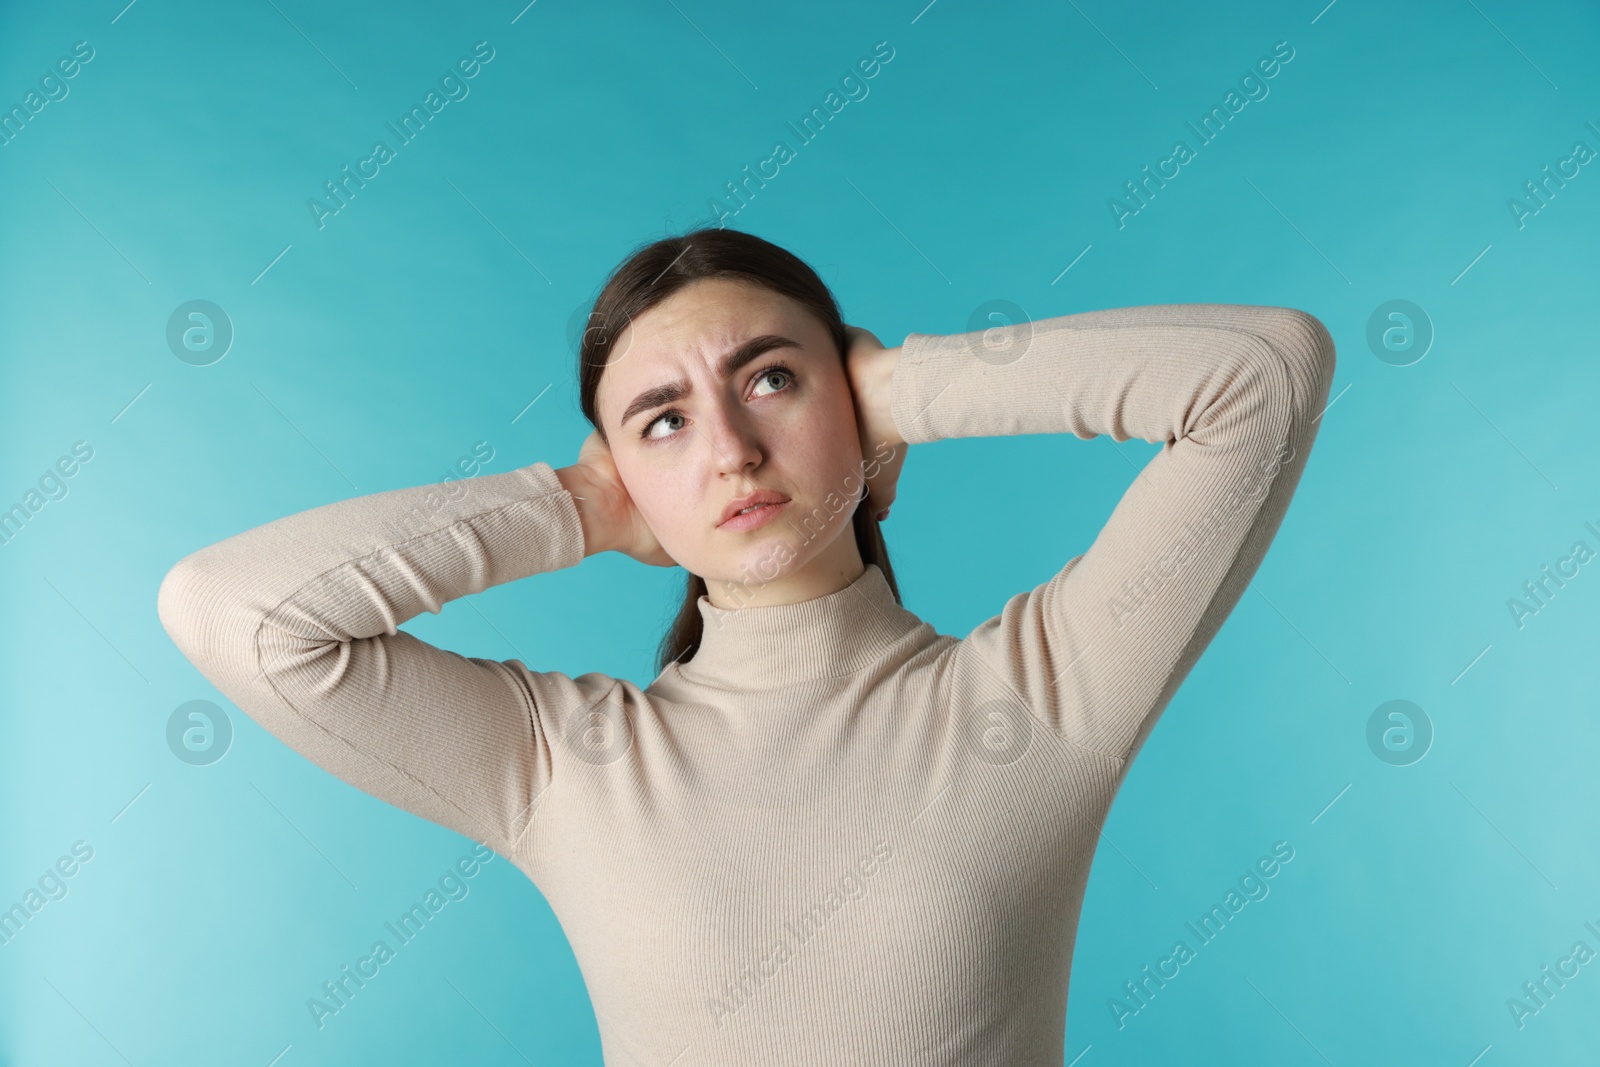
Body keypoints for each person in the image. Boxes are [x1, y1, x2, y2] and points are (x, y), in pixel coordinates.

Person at [157, 225, 1336, 1063]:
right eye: (662, 421)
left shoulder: (1042, 693)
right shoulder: (563, 761)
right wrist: (571, 506)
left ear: (857, 416)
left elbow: (1263, 376)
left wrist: (904, 388)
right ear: (626, 477)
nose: (728, 446)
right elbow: (232, 610)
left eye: (770, 379)